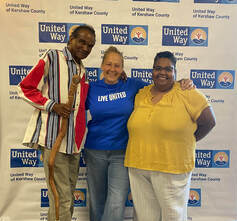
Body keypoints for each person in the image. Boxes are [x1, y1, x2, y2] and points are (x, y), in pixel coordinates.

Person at [84, 46, 193, 221]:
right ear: (102, 66)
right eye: (109, 64)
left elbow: (162, 85)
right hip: (95, 150)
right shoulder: (91, 88)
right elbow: (75, 113)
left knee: (116, 201)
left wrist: (183, 82)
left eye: (117, 65)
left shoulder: (133, 85)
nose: (113, 69)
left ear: (122, 68)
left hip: (122, 152)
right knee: (97, 201)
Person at [124, 51, 216, 221]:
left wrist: (187, 141)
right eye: (158, 68)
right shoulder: (142, 94)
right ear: (152, 71)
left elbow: (209, 121)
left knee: (173, 216)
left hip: (172, 167)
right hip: (138, 165)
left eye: (168, 69)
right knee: (144, 216)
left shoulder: (186, 92)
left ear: (175, 72)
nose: (162, 73)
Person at [18, 25, 96, 221]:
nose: (86, 48)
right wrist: (52, 105)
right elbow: (25, 88)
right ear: (71, 39)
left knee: (66, 197)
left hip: (74, 146)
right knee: (60, 198)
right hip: (54, 142)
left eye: (90, 45)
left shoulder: (82, 69)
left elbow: (81, 107)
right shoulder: (53, 57)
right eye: (82, 42)